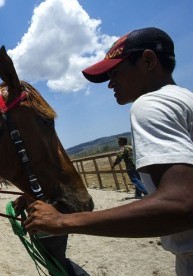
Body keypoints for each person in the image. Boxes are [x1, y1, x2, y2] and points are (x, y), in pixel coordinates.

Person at [22, 27, 193, 275]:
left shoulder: (152, 104)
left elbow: (181, 203)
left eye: (116, 72)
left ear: (148, 60)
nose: (110, 83)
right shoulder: (185, 99)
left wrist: (62, 221)